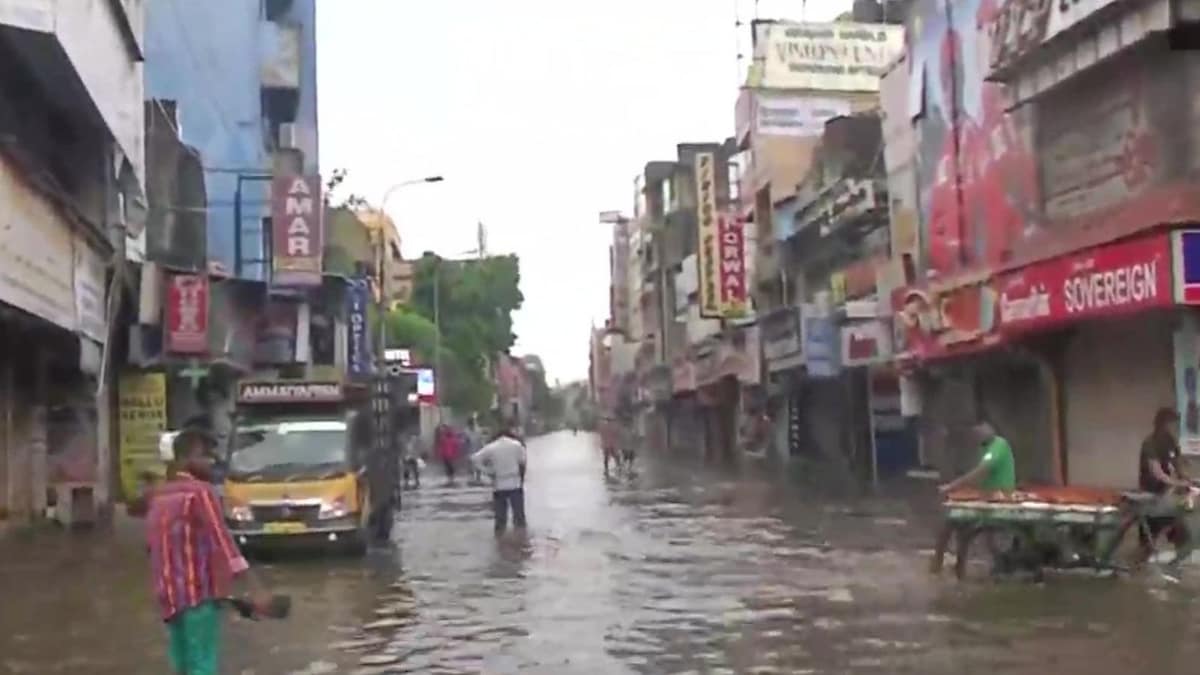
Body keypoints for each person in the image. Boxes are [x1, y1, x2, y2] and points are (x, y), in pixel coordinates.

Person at [145, 422, 270, 675]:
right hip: (198, 599)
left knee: (183, 666)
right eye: (203, 456)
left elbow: (152, 549)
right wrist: (255, 589)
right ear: (183, 459)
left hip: (169, 601)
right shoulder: (200, 492)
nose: (211, 462)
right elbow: (225, 544)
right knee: (203, 665)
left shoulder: (158, 497)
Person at [930, 419, 1016, 578]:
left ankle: (943, 566)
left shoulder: (998, 446)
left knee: (955, 523)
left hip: (999, 496)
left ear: (989, 429)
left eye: (980, 430)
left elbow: (980, 472)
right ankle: (950, 567)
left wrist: (951, 486)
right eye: (975, 433)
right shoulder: (984, 448)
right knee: (954, 524)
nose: (977, 435)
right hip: (987, 495)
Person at [1135, 407, 1195, 573]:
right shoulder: (1150, 443)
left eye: (1176, 424)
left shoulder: (1170, 441)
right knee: (1148, 543)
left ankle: (1172, 568)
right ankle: (1137, 568)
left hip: (1166, 498)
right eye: (1172, 424)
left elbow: (1178, 464)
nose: (1175, 428)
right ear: (1162, 424)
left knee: (1184, 538)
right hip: (1150, 497)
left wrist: (1187, 479)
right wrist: (1178, 483)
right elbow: (1157, 473)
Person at [471, 421, 528, 535]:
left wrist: (488, 472)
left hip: (499, 485)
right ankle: (520, 541)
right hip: (515, 484)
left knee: (500, 520)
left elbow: (474, 459)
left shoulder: (491, 447)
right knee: (519, 519)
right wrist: (521, 479)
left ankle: (500, 541)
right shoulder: (516, 445)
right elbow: (522, 463)